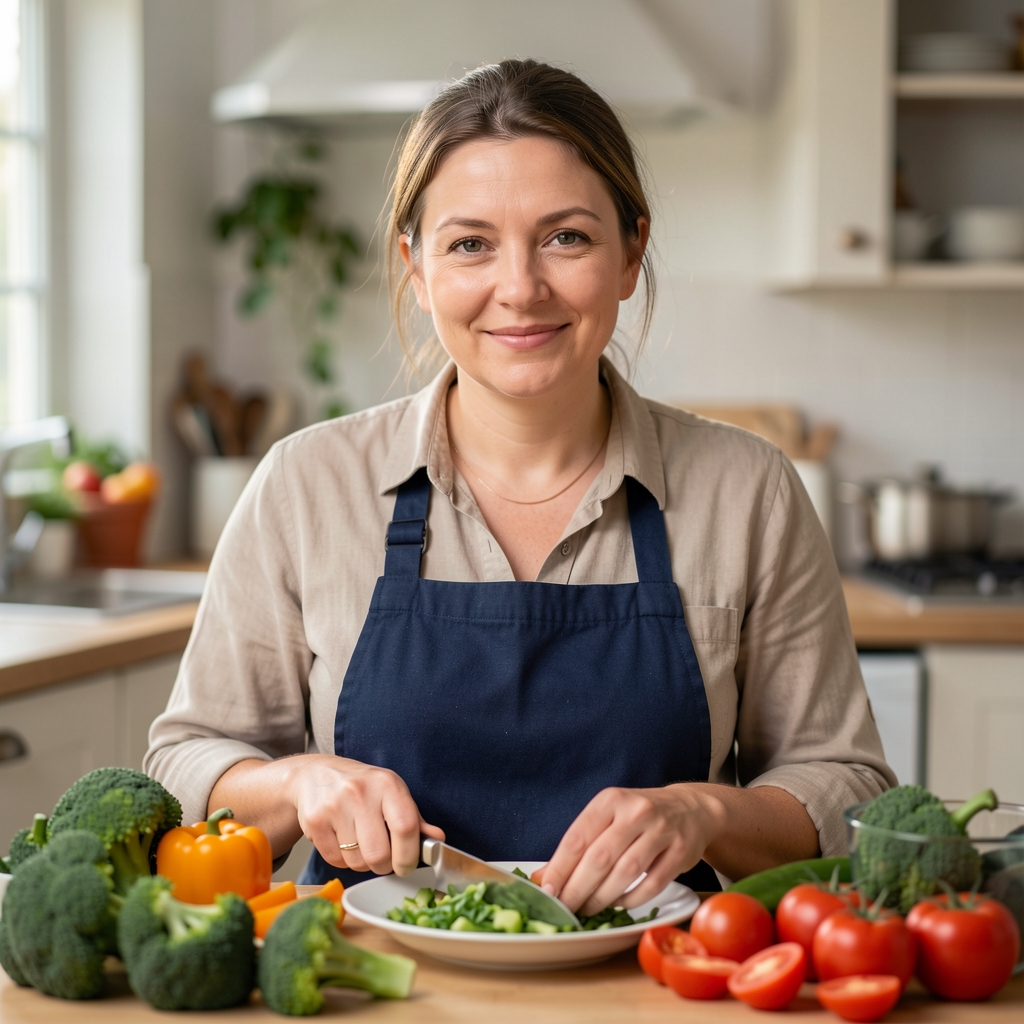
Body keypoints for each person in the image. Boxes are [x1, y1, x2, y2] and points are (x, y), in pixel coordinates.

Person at [146, 59, 892, 915]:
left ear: (631, 252)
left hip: (660, 975)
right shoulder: (307, 484)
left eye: (566, 238)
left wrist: (705, 812)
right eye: (470, 244)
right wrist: (299, 782)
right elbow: (187, 764)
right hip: (365, 976)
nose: (520, 289)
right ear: (417, 268)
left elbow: (848, 786)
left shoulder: (747, 491)